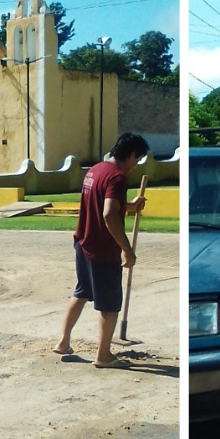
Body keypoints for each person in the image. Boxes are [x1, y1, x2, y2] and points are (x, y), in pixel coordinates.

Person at [55, 133, 148, 368]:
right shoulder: (117, 177)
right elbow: (108, 214)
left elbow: (103, 205)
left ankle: (63, 342)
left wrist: (130, 206)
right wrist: (126, 249)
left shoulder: (95, 170)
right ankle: (103, 355)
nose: (136, 166)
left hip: (83, 241)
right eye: (137, 160)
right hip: (102, 249)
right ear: (131, 155)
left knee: (82, 292)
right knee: (110, 303)